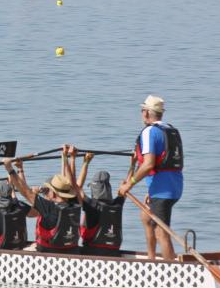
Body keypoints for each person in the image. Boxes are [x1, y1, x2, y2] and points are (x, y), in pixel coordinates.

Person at [119, 94, 183, 261]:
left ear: (147, 112)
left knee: (162, 232)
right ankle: (151, 259)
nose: (142, 114)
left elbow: (148, 165)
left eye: (142, 110)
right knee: (146, 216)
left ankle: (172, 270)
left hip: (163, 190)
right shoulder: (170, 129)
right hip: (174, 186)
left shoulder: (149, 132)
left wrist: (129, 184)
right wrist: (151, 190)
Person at [4, 153, 81, 254]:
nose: (46, 191)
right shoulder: (75, 203)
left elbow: (25, 192)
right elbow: (71, 182)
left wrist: (10, 169)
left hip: (48, 252)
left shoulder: (49, 208)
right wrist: (20, 169)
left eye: (49, 189)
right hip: (71, 250)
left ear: (54, 193)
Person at [72, 149, 125, 256]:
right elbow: (126, 186)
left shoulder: (91, 205)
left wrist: (85, 162)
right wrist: (133, 164)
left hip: (91, 252)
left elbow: (75, 187)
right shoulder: (117, 204)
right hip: (114, 252)